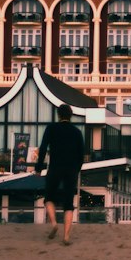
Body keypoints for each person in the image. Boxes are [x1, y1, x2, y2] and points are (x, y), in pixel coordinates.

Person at [37, 104, 86, 245]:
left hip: (55, 168)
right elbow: (81, 155)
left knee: (48, 198)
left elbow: (43, 149)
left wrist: (39, 168)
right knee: (68, 204)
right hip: (71, 170)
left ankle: (53, 224)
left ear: (58, 115)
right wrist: (76, 169)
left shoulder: (51, 128)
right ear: (71, 115)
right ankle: (66, 237)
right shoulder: (77, 132)